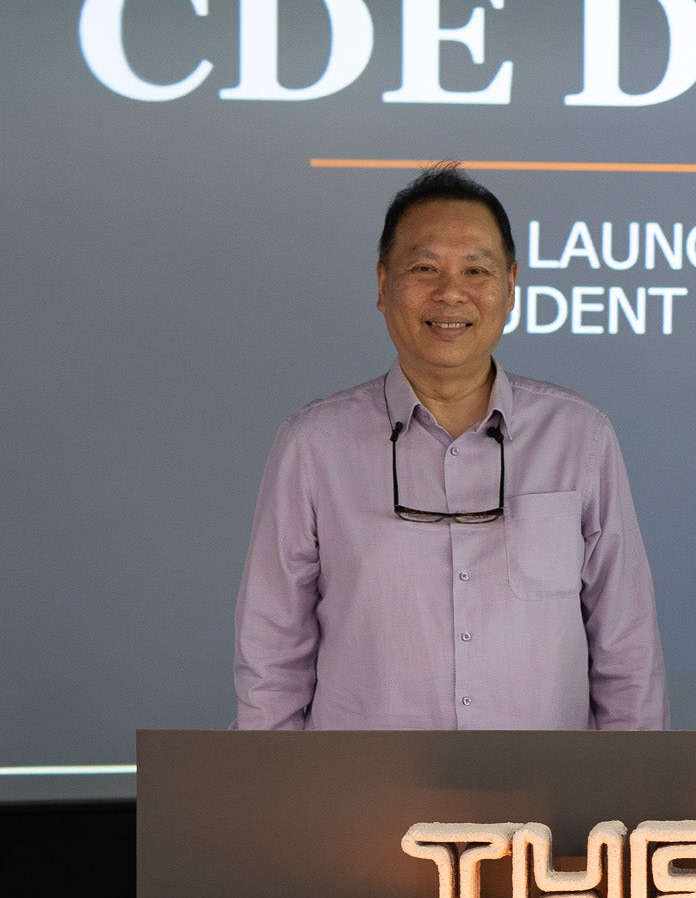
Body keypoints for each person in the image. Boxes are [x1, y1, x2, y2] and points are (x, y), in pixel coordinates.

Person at [233, 164, 669, 730]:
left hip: (546, 805)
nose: (451, 292)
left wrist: (629, 802)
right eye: (424, 267)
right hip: (364, 804)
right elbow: (272, 656)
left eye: (476, 269)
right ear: (383, 285)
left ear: (511, 286)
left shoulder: (580, 438)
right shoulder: (312, 446)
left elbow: (626, 648)